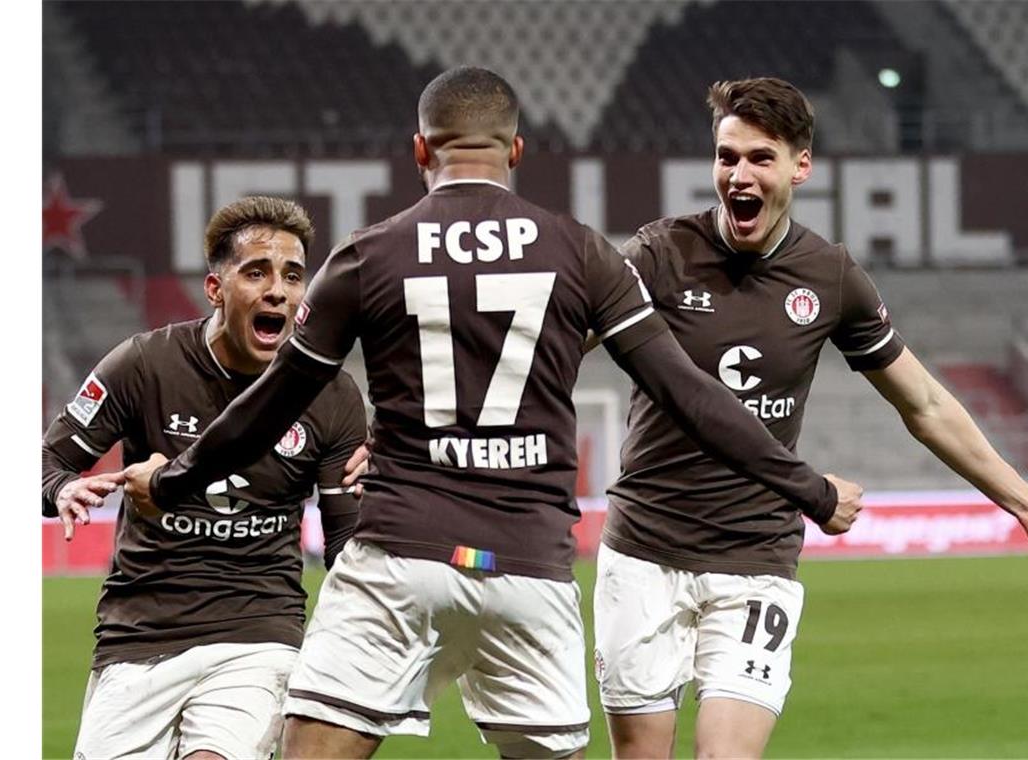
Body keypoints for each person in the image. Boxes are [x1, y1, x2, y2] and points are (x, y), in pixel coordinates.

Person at [122, 67, 863, 760]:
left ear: (420, 148)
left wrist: (175, 482)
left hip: (400, 556)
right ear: (515, 150)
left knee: (311, 744)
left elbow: (267, 405)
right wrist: (813, 491)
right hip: (527, 570)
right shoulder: (580, 253)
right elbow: (691, 394)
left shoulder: (367, 254)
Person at [592, 77, 1028, 759]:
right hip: (643, 553)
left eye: (760, 158)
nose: (739, 175)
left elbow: (923, 403)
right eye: (727, 157)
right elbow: (552, 351)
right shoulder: (659, 255)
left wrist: (1025, 503)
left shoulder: (829, 277)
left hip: (755, 558)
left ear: (799, 167)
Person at [42, 196, 369, 760]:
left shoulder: (332, 397)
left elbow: (345, 551)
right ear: (216, 290)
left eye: (293, 276)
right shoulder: (143, 365)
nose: (278, 291)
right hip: (138, 638)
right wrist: (61, 488)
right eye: (257, 272)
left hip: (258, 635)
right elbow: (48, 461)